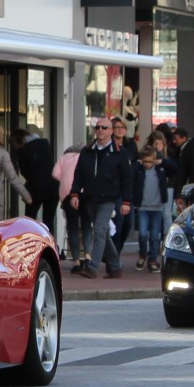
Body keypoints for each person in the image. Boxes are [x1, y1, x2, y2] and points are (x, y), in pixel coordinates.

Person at [68, 118, 132, 280]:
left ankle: (92, 267)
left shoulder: (120, 152)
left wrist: (126, 202)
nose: (101, 130)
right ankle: (115, 267)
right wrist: (75, 194)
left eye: (104, 127)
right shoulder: (87, 151)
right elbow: (78, 174)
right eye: (98, 127)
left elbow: (127, 179)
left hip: (109, 198)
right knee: (104, 234)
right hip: (90, 197)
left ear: (111, 131)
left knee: (100, 229)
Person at [15, 124, 59, 233]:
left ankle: (30, 244)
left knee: (30, 219)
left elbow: (24, 171)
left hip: (35, 188)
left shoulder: (22, 150)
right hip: (53, 186)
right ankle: (50, 245)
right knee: (48, 220)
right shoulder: (45, 143)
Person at [132, 146, 170, 272]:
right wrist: (137, 164)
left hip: (157, 207)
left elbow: (175, 168)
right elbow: (130, 173)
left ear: (155, 160)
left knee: (154, 236)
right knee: (142, 234)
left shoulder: (160, 170)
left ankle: (153, 259)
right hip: (142, 207)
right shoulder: (139, 171)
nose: (147, 164)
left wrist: (162, 161)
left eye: (150, 162)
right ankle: (143, 254)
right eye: (145, 162)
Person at [54, 144, 90, 272]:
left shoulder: (63, 158)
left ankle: (76, 261)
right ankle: (88, 257)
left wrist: (65, 179)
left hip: (68, 194)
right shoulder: (86, 157)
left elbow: (55, 174)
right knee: (86, 225)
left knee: (72, 227)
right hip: (85, 192)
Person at [110, 115, 138, 254]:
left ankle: (117, 249)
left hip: (127, 188)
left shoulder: (130, 145)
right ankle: (114, 255)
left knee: (128, 222)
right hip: (113, 188)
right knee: (118, 222)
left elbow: (130, 160)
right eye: (117, 127)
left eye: (122, 128)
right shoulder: (107, 145)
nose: (120, 130)